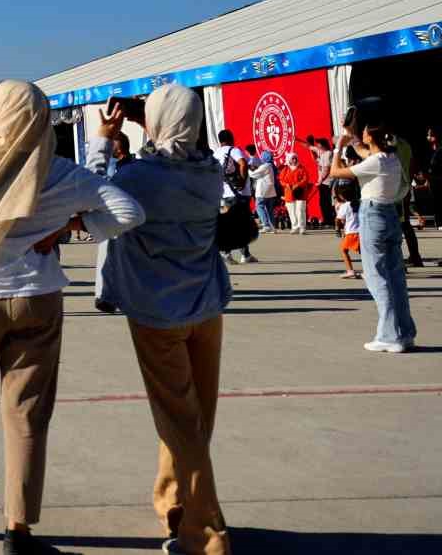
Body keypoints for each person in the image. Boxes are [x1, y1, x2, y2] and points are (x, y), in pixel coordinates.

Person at [0, 80, 144, 554]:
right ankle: (18, 527)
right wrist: (73, 224)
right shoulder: (59, 170)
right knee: (27, 415)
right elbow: (128, 212)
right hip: (36, 296)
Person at [88, 87, 233, 555]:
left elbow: (89, 200)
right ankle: (174, 503)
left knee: (180, 424)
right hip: (205, 306)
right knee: (195, 420)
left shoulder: (138, 178)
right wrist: (149, 123)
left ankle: (207, 536)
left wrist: (104, 138)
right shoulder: (209, 172)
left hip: (156, 312)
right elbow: (180, 150)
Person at [325, 108, 417, 352]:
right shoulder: (390, 158)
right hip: (390, 216)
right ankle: (404, 333)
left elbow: (335, 172)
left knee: (376, 277)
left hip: (373, 215)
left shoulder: (375, 162)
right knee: (396, 278)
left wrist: (338, 147)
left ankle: (389, 336)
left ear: (370, 137)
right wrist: (351, 137)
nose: (362, 133)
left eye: (364, 131)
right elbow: (364, 151)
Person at [214, 131, 255, 264]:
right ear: (231, 138)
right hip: (238, 194)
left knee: (232, 223)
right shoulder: (234, 150)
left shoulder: (216, 153)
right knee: (241, 224)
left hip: (224, 193)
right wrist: (242, 181)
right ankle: (232, 254)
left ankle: (241, 254)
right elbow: (243, 163)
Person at [278, 153, 310, 235]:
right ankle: (295, 226)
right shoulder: (285, 169)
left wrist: (298, 185)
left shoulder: (301, 168)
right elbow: (281, 180)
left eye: (295, 158)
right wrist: (286, 184)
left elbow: (306, 178)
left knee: (300, 210)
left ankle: (302, 227)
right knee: (291, 210)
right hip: (289, 192)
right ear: (289, 159)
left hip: (300, 193)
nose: (294, 160)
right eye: (293, 158)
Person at [334, 184, 361, 279]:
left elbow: (338, 219)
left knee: (343, 250)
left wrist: (337, 229)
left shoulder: (345, 206)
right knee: (364, 252)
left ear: (341, 196)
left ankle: (350, 271)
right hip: (361, 231)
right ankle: (371, 269)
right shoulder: (359, 203)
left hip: (352, 232)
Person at [249, 150, 278, 233]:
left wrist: (248, 169)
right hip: (270, 191)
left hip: (263, 190)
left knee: (259, 206)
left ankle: (266, 225)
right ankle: (273, 226)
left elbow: (254, 174)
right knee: (269, 209)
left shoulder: (265, 166)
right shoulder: (271, 166)